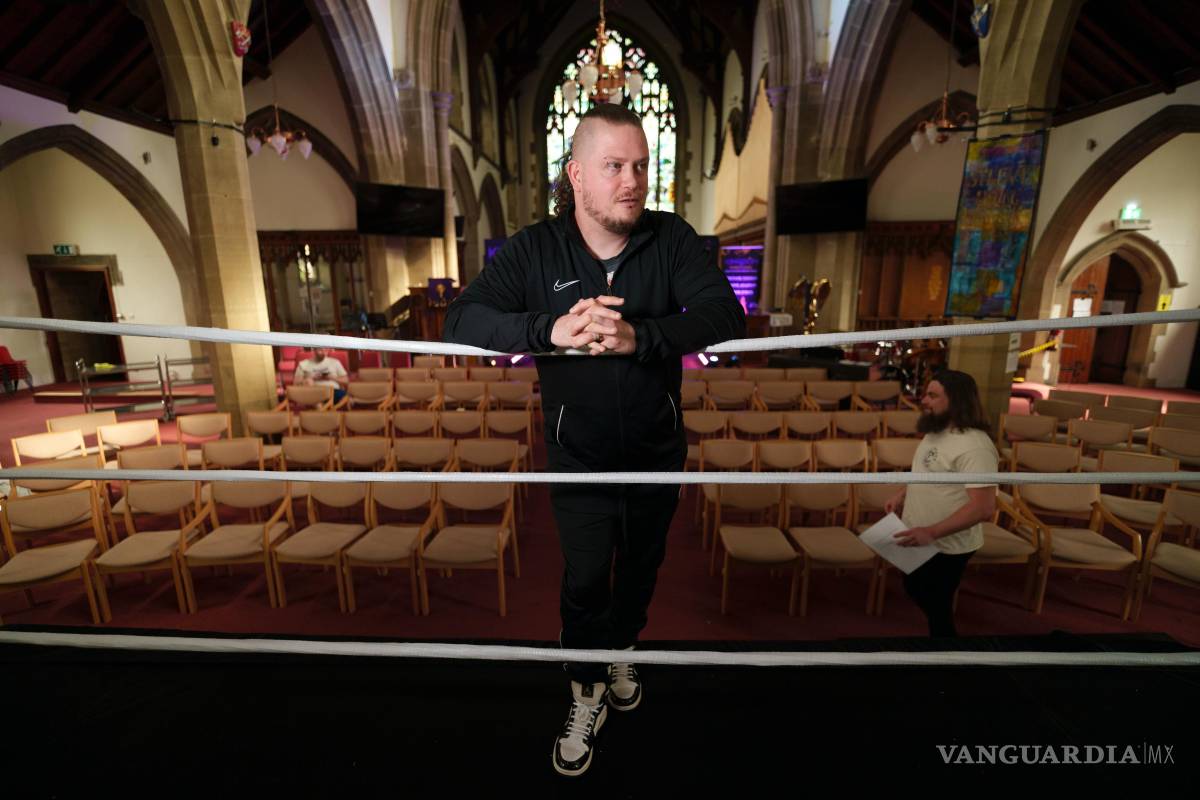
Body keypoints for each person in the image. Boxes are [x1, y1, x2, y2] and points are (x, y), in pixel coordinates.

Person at [442, 102, 744, 777]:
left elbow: (727, 312)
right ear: (577, 175)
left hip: (656, 454)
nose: (632, 181)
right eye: (614, 167)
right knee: (584, 580)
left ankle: (621, 648)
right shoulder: (533, 250)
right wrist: (547, 331)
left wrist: (643, 337)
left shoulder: (670, 240)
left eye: (639, 166)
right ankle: (585, 689)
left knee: (638, 572)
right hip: (577, 459)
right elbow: (460, 319)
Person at [885, 369, 998, 637]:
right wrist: (903, 493)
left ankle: (946, 657)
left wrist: (931, 532)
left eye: (933, 396)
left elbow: (983, 508)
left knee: (938, 608)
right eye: (926, 394)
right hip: (920, 533)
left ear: (956, 400)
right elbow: (928, 471)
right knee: (913, 586)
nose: (924, 400)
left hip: (947, 545)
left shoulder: (975, 447)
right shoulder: (935, 430)